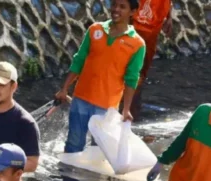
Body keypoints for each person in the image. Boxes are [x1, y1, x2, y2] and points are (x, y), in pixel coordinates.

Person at [55, 0, 146, 152]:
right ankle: (69, 176)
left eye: (122, 7)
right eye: (114, 5)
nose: (116, 9)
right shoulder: (94, 29)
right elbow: (79, 60)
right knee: (73, 145)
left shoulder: (137, 44)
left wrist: (126, 109)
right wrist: (64, 89)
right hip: (80, 100)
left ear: (133, 12)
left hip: (107, 107)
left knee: (99, 150)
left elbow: (131, 79)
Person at [129, 0, 173, 120]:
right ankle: (129, 109)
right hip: (137, 26)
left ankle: (131, 110)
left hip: (152, 29)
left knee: (140, 73)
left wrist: (169, 17)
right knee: (132, 71)